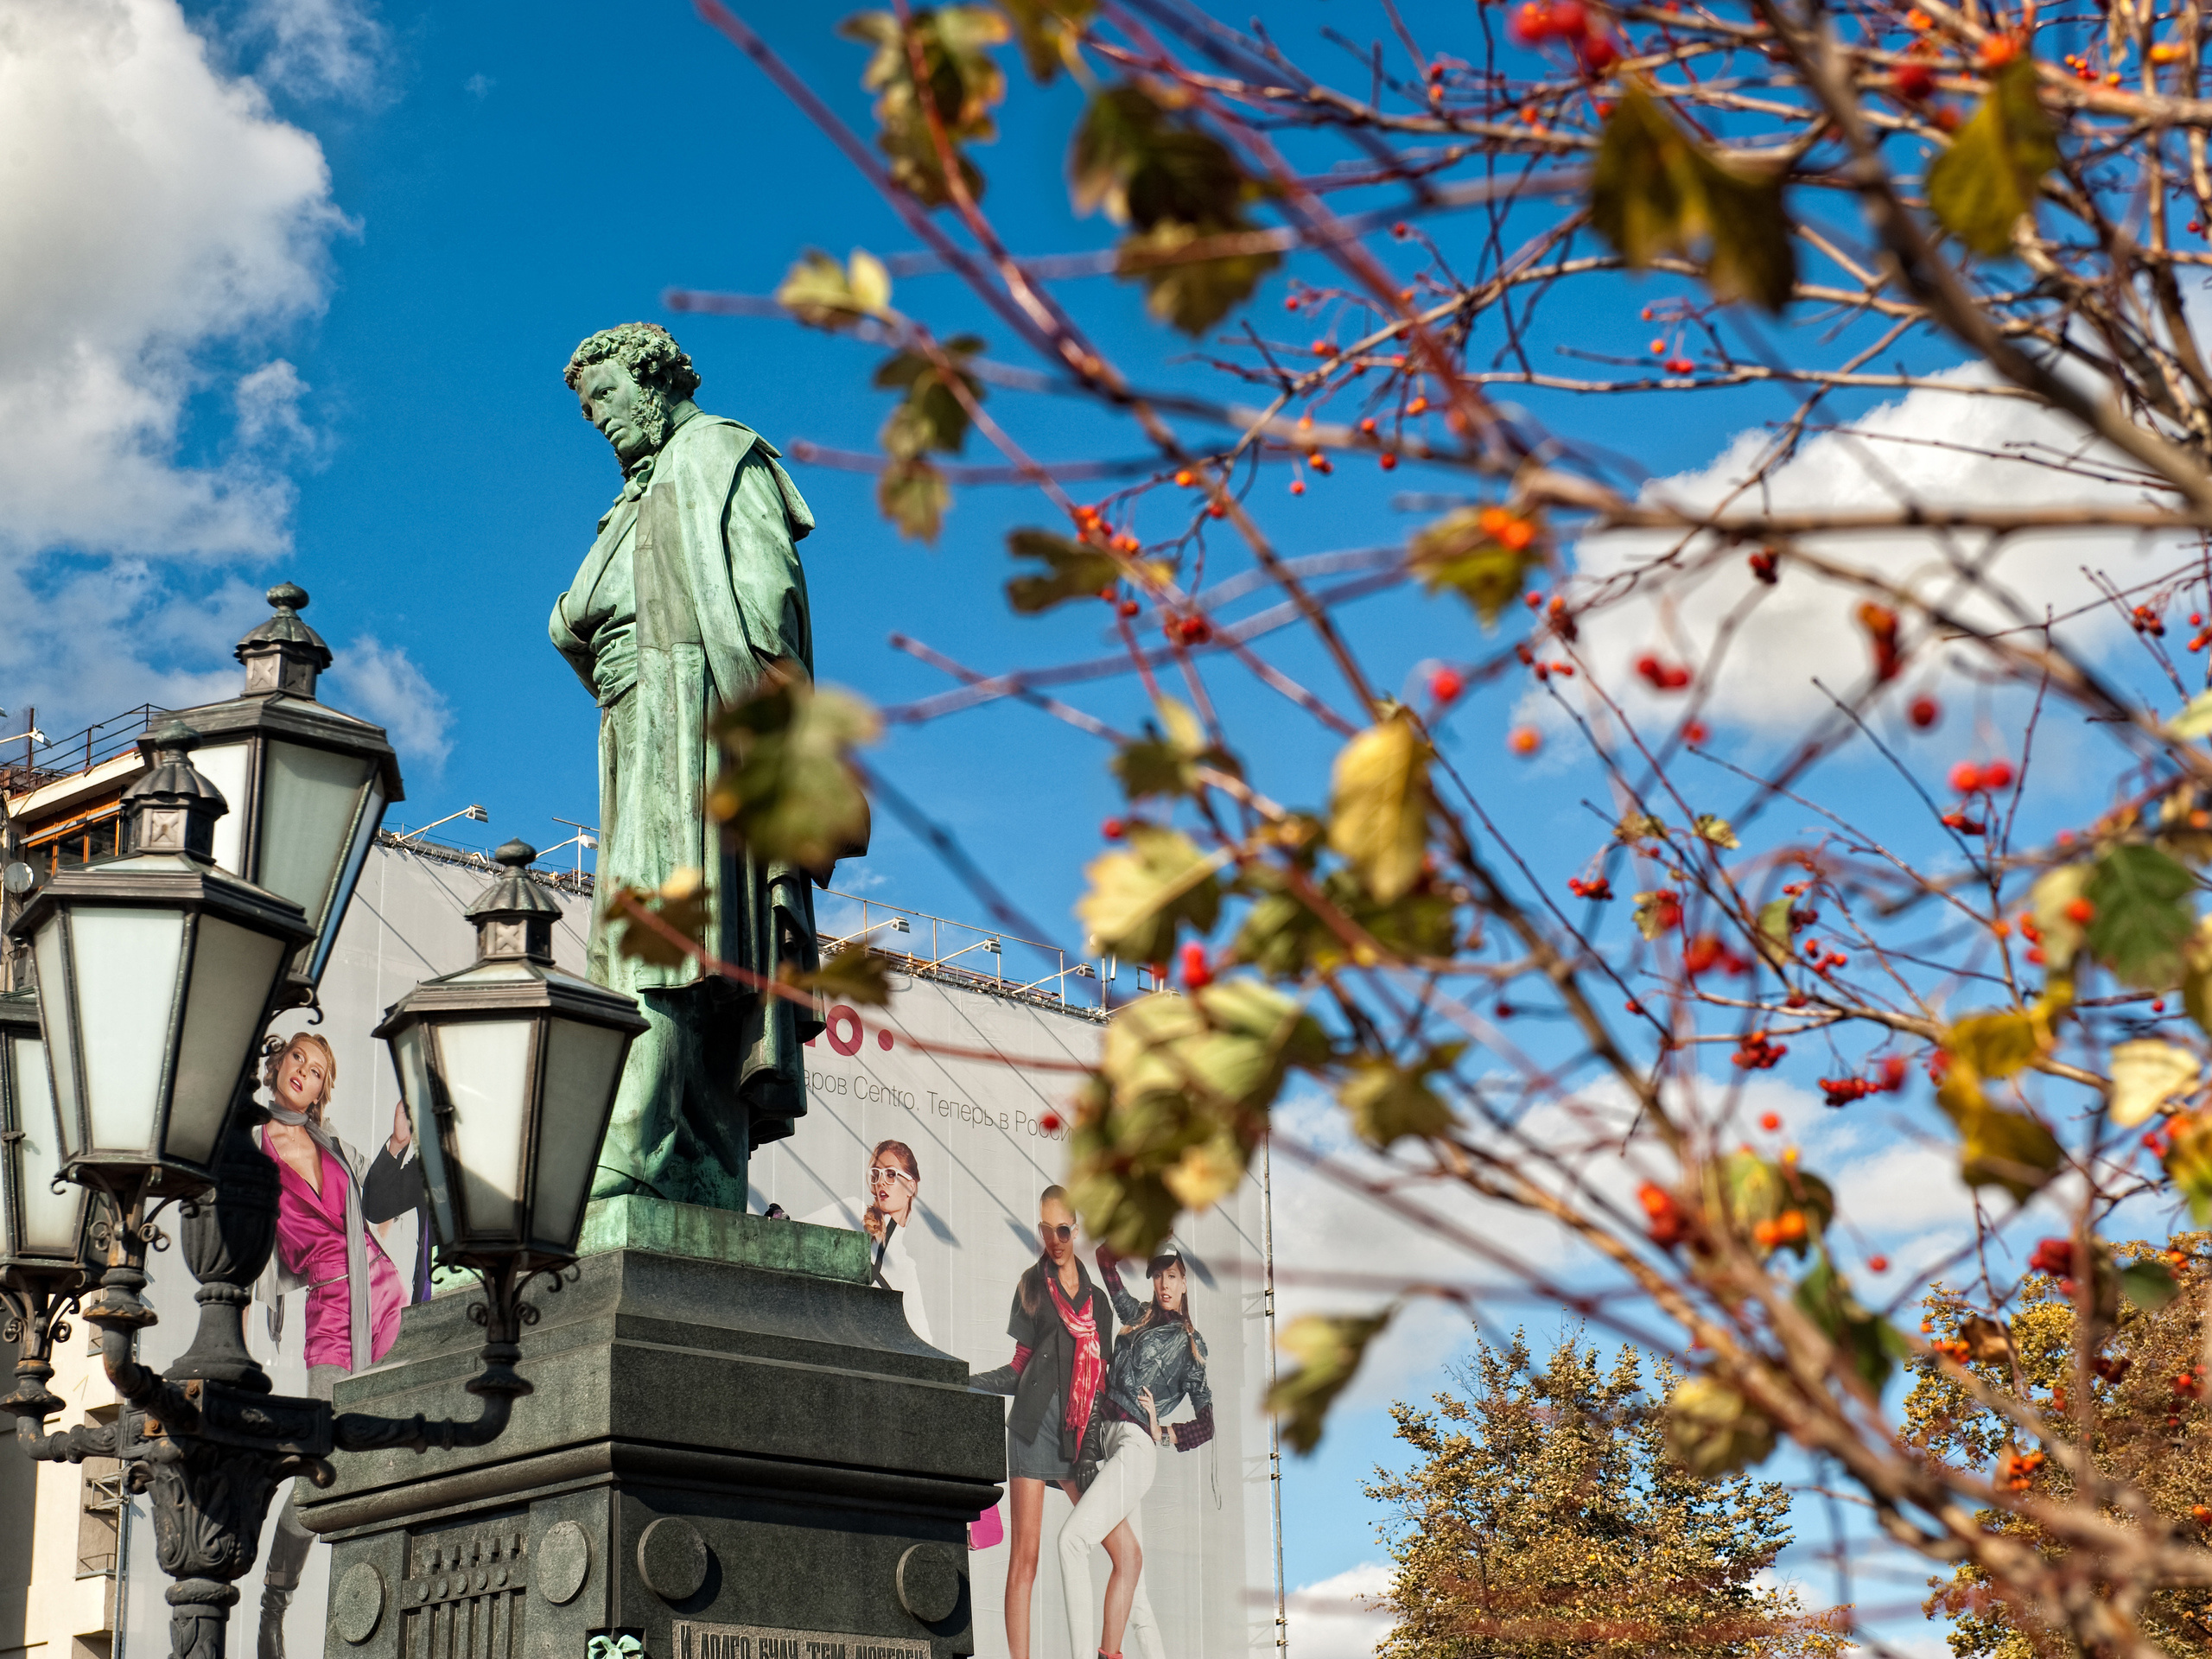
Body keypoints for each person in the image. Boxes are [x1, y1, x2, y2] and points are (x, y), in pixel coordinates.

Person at [550, 321, 860, 1214]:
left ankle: (632, 1148)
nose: (598, 419)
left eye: (605, 396)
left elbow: (769, 604)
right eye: (587, 408)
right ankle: (699, 1160)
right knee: (653, 942)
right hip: (636, 721)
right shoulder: (635, 498)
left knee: (661, 934)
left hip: (695, 715)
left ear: (653, 380)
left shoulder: (716, 458)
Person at [251, 1034, 410, 1659]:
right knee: (323, 1459)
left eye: (318, 1071)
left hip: (382, 1295)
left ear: (321, 1090)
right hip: (331, 1307)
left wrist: (397, 1145)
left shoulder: (335, 1146)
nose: (305, 1073)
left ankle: (379, 1599)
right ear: (279, 1065)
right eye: (299, 1059)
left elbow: (380, 1220)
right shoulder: (253, 1147)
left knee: (392, 1450)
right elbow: (244, 1247)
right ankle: (275, 1597)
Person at [971, 1186, 1129, 1659]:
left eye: (1064, 1230)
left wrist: (1091, 1449)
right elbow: (1018, 1368)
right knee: (1026, 1557)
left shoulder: (1098, 1304)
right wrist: (964, 1381)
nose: (1056, 1238)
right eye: (1047, 1230)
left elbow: (1100, 1383)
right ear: (1040, 1230)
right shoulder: (1031, 1285)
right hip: (1032, 1428)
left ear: (1075, 1230)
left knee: (1124, 1550)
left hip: (1076, 1435)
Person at [1058, 1244, 1214, 1659]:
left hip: (1134, 1446)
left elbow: (1207, 1423)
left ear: (1184, 1284)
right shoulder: (1137, 1315)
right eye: (1158, 1275)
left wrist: (1163, 1431)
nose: (1164, 1284)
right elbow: (1105, 1262)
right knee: (1136, 1592)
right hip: (1103, 1437)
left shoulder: (1191, 1346)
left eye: (1173, 1276)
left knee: (1073, 1540)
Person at [800, 1140, 934, 1344]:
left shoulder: (907, 1268)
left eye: (890, 1174)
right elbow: (796, 1234)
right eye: (876, 1174)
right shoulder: (852, 1212)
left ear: (910, 1186)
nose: (881, 1182)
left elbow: (924, 1343)